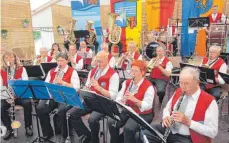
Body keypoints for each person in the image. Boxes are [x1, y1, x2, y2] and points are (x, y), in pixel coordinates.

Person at [141, 67, 218, 143]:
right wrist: (166, 117)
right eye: (181, 83)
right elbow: (167, 109)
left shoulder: (209, 101)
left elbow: (213, 132)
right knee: (143, 134)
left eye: (187, 83)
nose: (183, 87)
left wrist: (188, 122)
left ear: (197, 83)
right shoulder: (179, 91)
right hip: (169, 129)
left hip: (188, 137)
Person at [64, 51, 119, 143]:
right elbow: (87, 86)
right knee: (71, 114)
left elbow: (113, 96)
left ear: (107, 60)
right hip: (90, 101)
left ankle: (95, 140)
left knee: (92, 119)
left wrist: (99, 88)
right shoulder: (93, 71)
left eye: (101, 61)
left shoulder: (113, 74)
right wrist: (85, 89)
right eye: (97, 61)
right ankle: (87, 134)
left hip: (104, 103)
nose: (98, 64)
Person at [108, 60, 155, 143]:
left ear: (143, 72)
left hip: (143, 114)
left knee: (128, 128)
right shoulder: (127, 82)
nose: (132, 73)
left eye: (135, 71)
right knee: (112, 121)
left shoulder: (149, 87)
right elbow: (119, 96)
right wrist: (121, 101)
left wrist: (135, 100)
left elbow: (148, 105)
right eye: (132, 70)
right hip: (128, 110)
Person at [37, 53, 80, 141]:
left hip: (66, 96)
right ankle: (47, 132)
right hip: (52, 96)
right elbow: (46, 85)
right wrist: (51, 87)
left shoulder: (72, 71)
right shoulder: (52, 71)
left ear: (67, 61)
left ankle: (64, 135)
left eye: (62, 60)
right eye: (58, 60)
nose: (60, 63)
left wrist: (63, 83)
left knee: (62, 110)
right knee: (40, 108)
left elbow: (76, 88)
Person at [0, 50, 33, 140]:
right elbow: (1, 85)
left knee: (27, 103)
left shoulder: (21, 69)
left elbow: (26, 82)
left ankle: (28, 126)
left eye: (11, 57)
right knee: (1, 107)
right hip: (7, 96)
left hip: (20, 95)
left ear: (15, 58)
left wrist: (15, 81)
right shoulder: (1, 70)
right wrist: (6, 96)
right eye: (6, 57)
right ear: (3, 59)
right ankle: (8, 128)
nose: (9, 59)